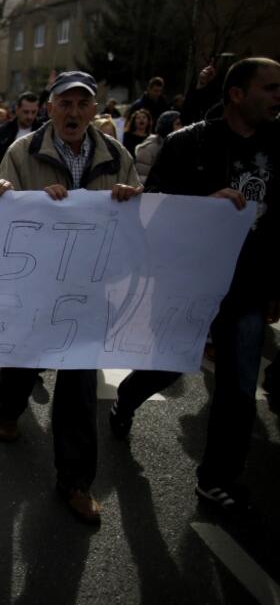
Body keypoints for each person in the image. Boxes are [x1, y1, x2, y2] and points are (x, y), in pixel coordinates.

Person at [109, 58, 279, 516]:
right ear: (237, 94)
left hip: (247, 285)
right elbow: (157, 210)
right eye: (270, 87)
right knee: (169, 367)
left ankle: (216, 478)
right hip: (189, 280)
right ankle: (126, 397)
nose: (278, 96)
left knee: (240, 388)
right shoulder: (188, 143)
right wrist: (206, 205)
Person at [0, 70, 142, 524]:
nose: (74, 112)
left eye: (83, 103)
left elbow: (138, 218)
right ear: (49, 107)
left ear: (95, 109)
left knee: (78, 382)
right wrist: (22, 198)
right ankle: (9, 408)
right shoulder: (23, 151)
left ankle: (76, 481)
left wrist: (130, 198)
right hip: (36, 281)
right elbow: (1, 205)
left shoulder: (117, 155)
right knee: (24, 357)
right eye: (65, 103)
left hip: (88, 287)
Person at [0, 91, 41, 180]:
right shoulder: (0, 132)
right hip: (3, 185)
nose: (30, 116)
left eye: (34, 112)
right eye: (26, 112)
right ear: (17, 110)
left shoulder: (44, 132)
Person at [133, 109, 181, 183]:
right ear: (167, 125)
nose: (182, 127)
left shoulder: (183, 146)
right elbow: (141, 178)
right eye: (178, 124)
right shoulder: (148, 149)